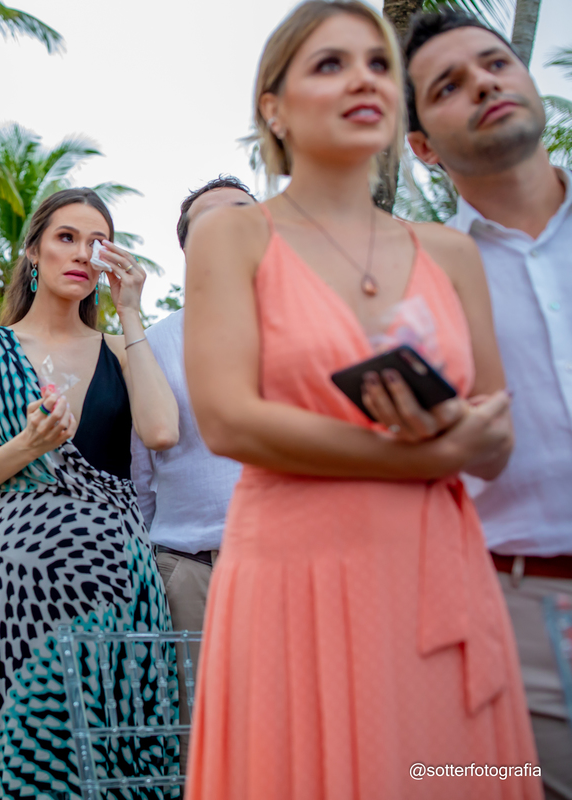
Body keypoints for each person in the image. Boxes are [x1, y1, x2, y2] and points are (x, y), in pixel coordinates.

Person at [183, 2, 539, 798]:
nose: (363, 81)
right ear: (274, 108)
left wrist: (462, 433)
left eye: (379, 65)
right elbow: (229, 419)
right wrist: (419, 456)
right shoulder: (235, 236)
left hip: (434, 571)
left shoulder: (451, 252)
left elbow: (495, 434)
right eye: (330, 65)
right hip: (295, 571)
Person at [0, 187, 181, 798]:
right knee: (22, 752)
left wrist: (131, 312)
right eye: (66, 237)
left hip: (118, 579)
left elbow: (162, 431)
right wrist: (28, 445)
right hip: (20, 581)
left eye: (96, 243)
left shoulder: (120, 349)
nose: (80, 253)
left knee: (120, 754)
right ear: (33, 252)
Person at [404, 11, 572, 796]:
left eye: (495, 63)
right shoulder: (413, 280)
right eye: (448, 85)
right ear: (422, 148)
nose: (482, 82)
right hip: (513, 613)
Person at [129, 176, 254, 735]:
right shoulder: (155, 342)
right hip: (191, 569)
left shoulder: (309, 324)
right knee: (199, 740)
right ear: (187, 247)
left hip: (294, 564)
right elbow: (140, 470)